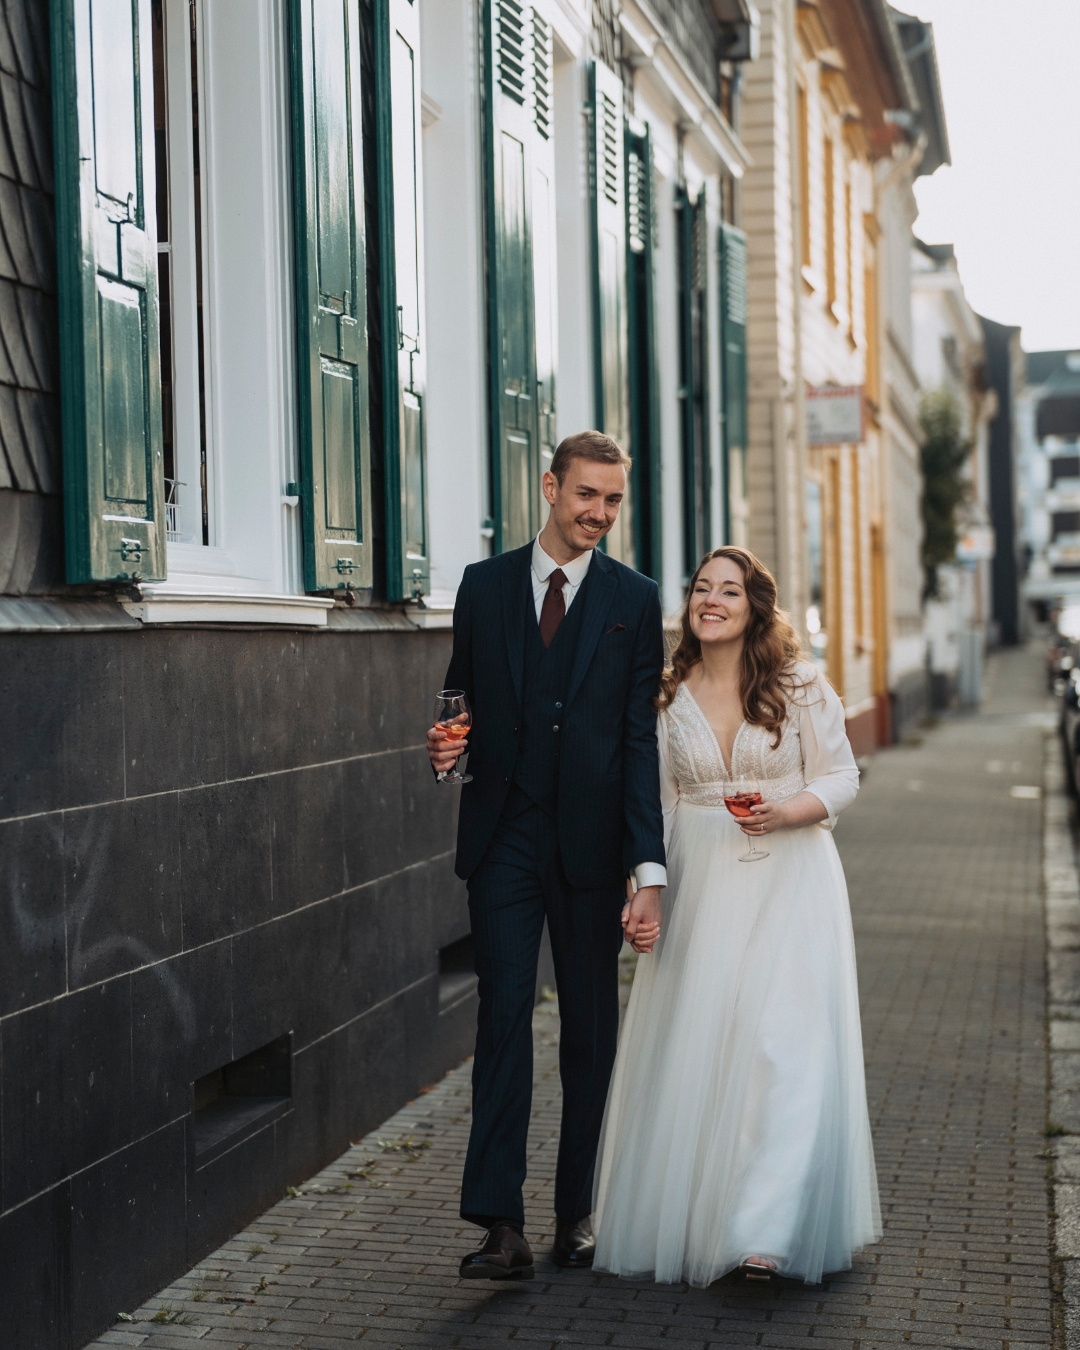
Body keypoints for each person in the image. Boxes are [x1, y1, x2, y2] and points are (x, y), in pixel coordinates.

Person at [593, 546, 881, 1286]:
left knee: (783, 1047)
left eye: (729, 590)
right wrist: (646, 887)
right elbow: (655, 806)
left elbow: (842, 775)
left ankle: (766, 1233)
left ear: (755, 608)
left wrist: (788, 811)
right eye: (701, 588)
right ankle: (709, 1215)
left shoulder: (800, 684)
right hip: (701, 881)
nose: (711, 600)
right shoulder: (664, 695)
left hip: (793, 880)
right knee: (711, 1045)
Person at [428, 431, 667, 1281]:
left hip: (591, 848)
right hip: (502, 837)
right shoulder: (483, 585)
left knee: (590, 1031)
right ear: (550, 487)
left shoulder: (635, 600)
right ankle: (501, 1224)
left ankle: (578, 1211)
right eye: (586, 494)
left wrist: (647, 869)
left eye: (613, 499)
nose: (599, 513)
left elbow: (638, 742)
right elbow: (458, 701)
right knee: (502, 1021)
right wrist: (446, 753)